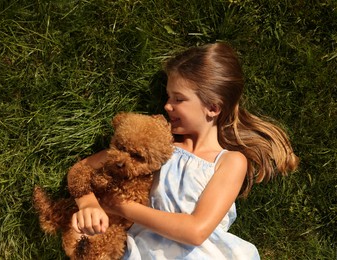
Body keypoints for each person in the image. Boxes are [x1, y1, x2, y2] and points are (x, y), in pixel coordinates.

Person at [69, 42, 299, 259]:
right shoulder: (158, 147)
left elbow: (196, 231)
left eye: (179, 99)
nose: (167, 105)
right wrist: (87, 203)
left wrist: (120, 206)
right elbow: (83, 168)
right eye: (168, 96)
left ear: (213, 108)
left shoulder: (230, 161)